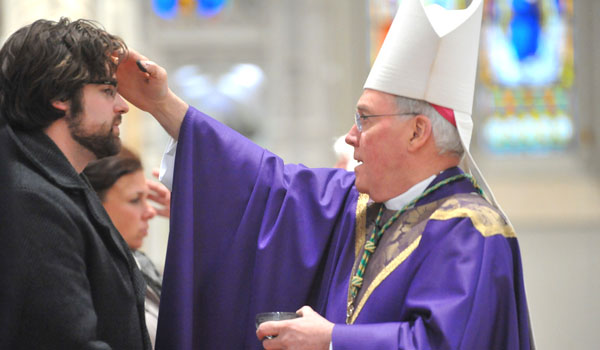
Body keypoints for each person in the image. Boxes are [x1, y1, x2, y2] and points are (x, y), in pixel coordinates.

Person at [117, 0, 534, 349]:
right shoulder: (358, 204)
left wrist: (333, 340)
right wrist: (163, 105)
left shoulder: (472, 232)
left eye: (365, 119)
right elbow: (268, 189)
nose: (351, 137)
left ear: (417, 132)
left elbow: (445, 344)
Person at [0, 18, 152, 349]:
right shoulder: (30, 200)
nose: (123, 106)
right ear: (59, 96)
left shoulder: (58, 182)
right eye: (108, 91)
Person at [83, 146, 171, 349]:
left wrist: (193, 220)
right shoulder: (92, 276)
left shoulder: (140, 265)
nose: (150, 211)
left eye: (146, 198)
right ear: (94, 205)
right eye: (135, 200)